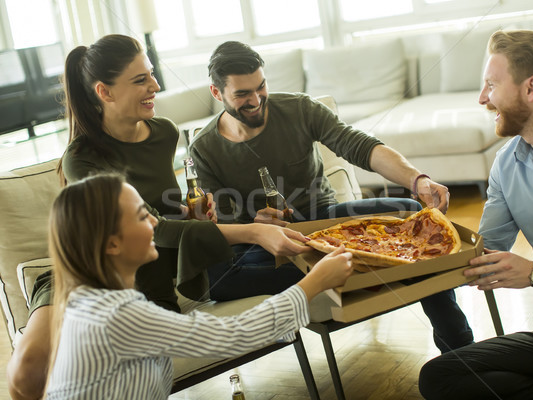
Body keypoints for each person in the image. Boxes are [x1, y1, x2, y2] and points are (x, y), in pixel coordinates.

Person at [7, 34, 312, 400]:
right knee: (28, 369)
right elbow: (153, 226)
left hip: (148, 270)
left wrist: (192, 212)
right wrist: (253, 232)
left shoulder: (163, 132)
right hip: (82, 275)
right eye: (140, 80)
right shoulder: (82, 159)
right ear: (105, 92)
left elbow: (160, 215)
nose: (155, 86)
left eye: (151, 74)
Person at [189, 40, 474, 354]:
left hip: (323, 217)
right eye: (242, 94)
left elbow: (359, 146)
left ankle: (460, 349)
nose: (256, 100)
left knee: (410, 214)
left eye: (261, 87)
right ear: (217, 93)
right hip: (266, 244)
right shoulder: (204, 149)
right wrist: (255, 224)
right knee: (220, 276)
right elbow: (227, 225)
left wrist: (417, 179)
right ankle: (373, 269)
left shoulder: (299, 108)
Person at [43, 173, 353, 398]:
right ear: (111, 243)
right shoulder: (116, 315)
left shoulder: (91, 301)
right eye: (142, 217)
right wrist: (315, 281)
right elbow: (234, 336)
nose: (155, 223)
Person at [419, 29, 533, 399]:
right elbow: (483, 255)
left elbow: (531, 273)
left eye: (491, 84)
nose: (483, 98)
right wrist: (436, 231)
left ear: (531, 88)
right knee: (439, 377)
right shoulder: (506, 164)